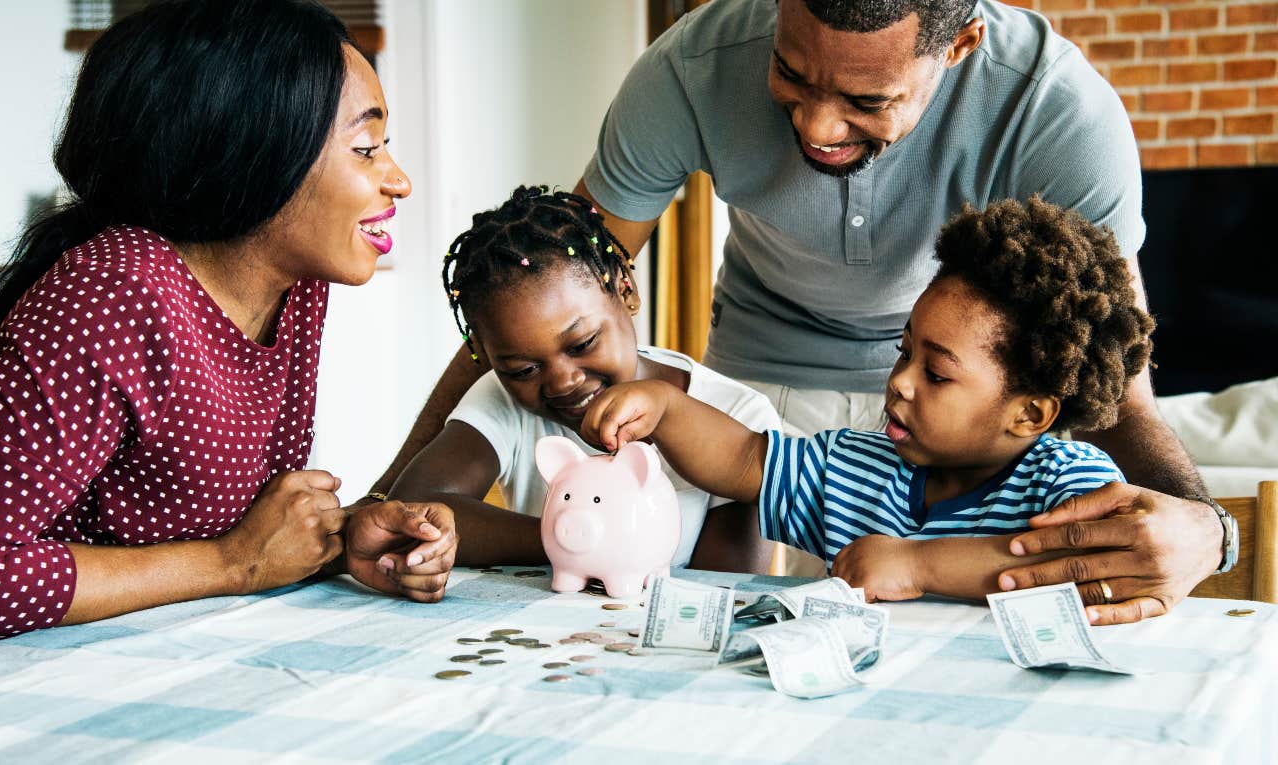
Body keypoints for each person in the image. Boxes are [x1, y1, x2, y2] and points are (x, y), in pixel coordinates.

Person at [369, 0, 1231, 624]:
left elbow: (1121, 395)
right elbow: (544, 283)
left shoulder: (1060, 115)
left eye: (867, 100)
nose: (818, 125)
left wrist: (1208, 527)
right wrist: (378, 504)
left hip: (971, 394)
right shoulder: (690, 68)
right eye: (791, 72)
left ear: (961, 43)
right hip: (764, 379)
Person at [0, 0, 456, 662]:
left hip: (144, 665)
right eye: (365, 148)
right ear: (253, 151)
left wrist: (341, 540)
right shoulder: (112, 294)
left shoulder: (295, 287)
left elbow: (243, 532)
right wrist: (231, 563)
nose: (397, 180)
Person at [581, 197, 1154, 608]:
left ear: (1029, 414)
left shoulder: (1069, 484)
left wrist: (915, 565)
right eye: (905, 354)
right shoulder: (855, 468)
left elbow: (1066, 569)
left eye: (937, 374)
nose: (901, 382)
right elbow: (744, 461)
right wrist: (666, 408)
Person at [373, 186, 777, 574]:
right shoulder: (504, 398)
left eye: (582, 343)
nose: (563, 382)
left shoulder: (738, 415)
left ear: (626, 289)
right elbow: (412, 509)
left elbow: (726, 585)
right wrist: (566, 539)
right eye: (524, 370)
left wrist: (585, 540)